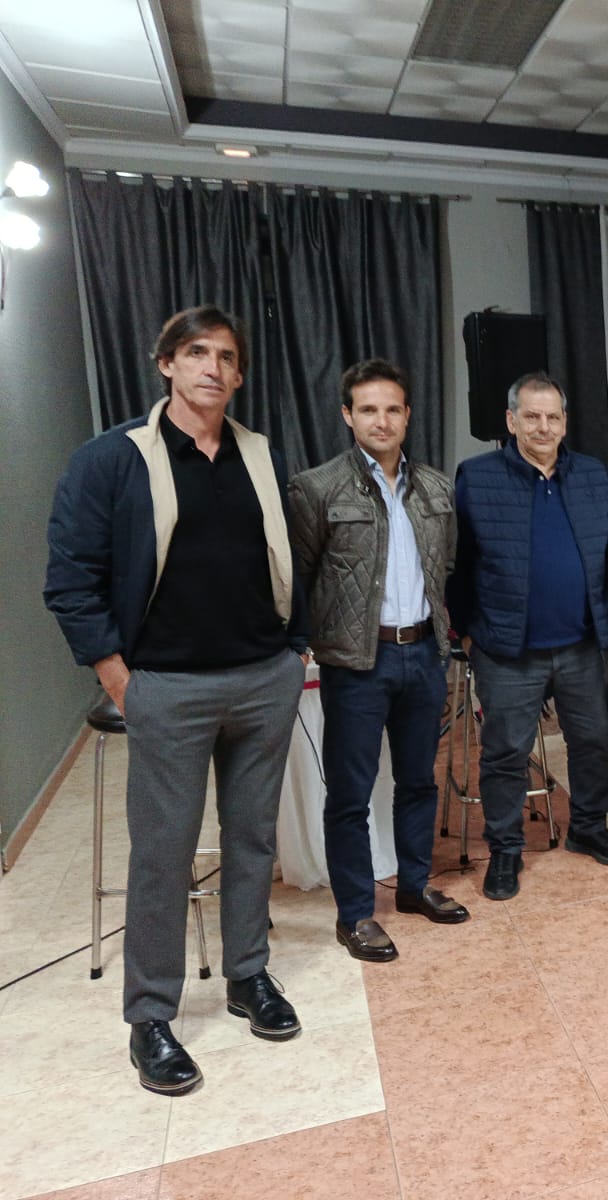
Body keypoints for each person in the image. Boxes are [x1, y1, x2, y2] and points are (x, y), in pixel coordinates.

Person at [44, 305, 307, 1096]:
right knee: (163, 854)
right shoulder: (111, 459)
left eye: (226, 356)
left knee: (252, 841)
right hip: (168, 687)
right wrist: (118, 678)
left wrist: (292, 649)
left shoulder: (259, 454)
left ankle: (247, 975)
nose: (212, 368)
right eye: (196, 353)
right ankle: (151, 1016)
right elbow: (70, 579)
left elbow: (290, 554)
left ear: (239, 373)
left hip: (261, 678)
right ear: (165, 364)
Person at [288, 359, 468, 963]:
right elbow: (300, 575)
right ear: (348, 415)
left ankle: (414, 886)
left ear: (408, 415)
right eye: (368, 409)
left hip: (423, 655)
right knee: (350, 793)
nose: (382, 421)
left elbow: (446, 567)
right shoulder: (316, 489)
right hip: (356, 663)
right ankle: (356, 914)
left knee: (418, 780)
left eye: (393, 409)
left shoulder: (437, 489)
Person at [448, 372, 608, 901]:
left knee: (592, 743)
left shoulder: (592, 474)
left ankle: (588, 827)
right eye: (531, 416)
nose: (543, 427)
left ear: (565, 422)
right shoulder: (477, 477)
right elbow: (458, 564)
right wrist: (467, 633)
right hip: (508, 649)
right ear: (511, 421)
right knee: (506, 752)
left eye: (553, 417)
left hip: (582, 644)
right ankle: (506, 849)